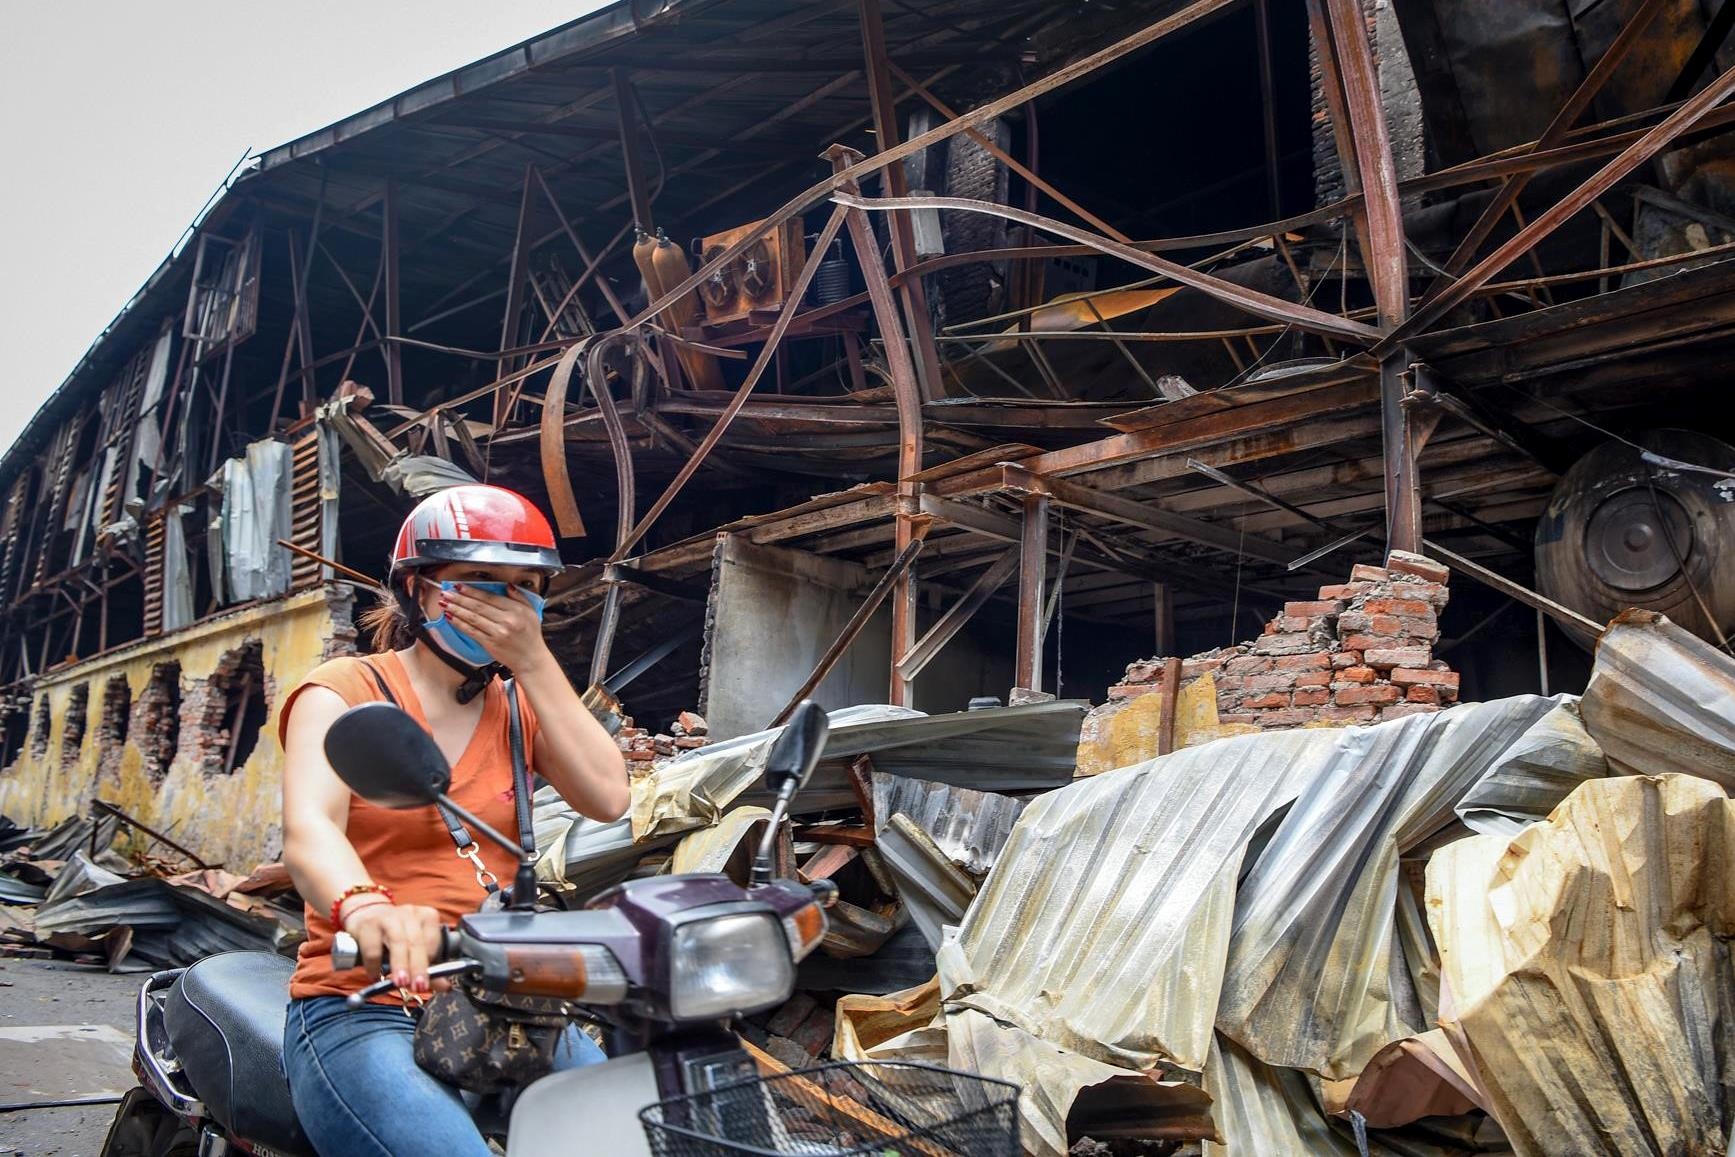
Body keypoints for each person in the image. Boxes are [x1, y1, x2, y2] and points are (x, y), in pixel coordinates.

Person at [277, 484, 628, 1157]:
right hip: (362, 1001)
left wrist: (534, 661)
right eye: (481, 581)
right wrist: (366, 909)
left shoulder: (522, 706)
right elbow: (309, 830)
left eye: (526, 586)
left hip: (500, 1003)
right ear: (418, 587)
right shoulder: (344, 690)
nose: (509, 604)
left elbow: (610, 796)